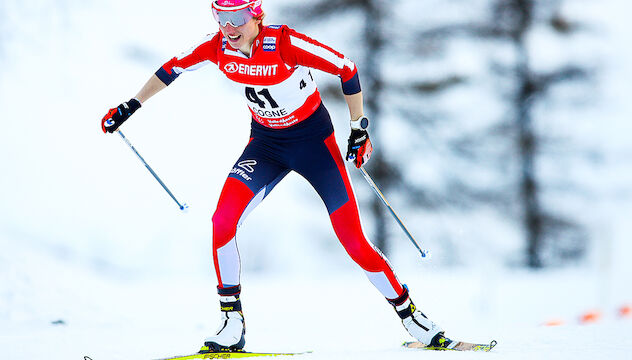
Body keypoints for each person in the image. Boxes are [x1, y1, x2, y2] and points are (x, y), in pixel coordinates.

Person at [101, 0, 453, 353]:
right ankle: (231, 322)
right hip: (266, 146)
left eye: (238, 17)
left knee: (352, 240)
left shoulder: (285, 43)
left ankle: (412, 316)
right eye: (221, 18)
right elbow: (170, 69)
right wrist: (130, 105)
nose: (229, 26)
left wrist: (359, 127)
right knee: (222, 221)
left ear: (257, 15)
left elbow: (346, 68)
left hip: (315, 146)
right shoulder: (217, 47)